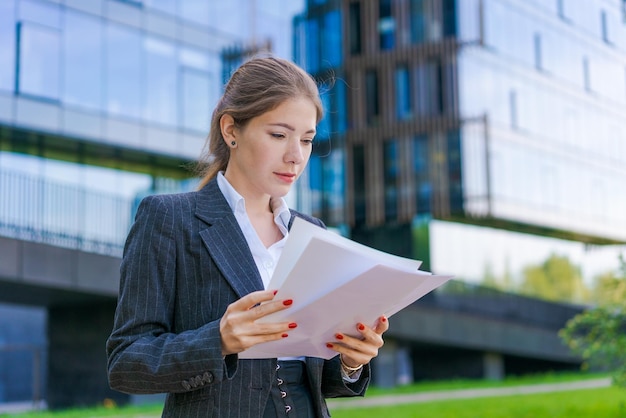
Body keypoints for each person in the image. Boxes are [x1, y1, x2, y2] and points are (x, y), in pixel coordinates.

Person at [106, 55, 389, 417]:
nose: (295, 156)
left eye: (306, 140)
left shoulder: (310, 232)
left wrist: (350, 360)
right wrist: (218, 340)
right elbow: (126, 361)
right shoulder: (169, 219)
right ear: (231, 130)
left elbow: (317, 375)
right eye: (278, 135)